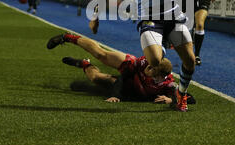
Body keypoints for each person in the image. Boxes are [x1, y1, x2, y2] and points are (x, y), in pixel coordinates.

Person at [47, 31, 196, 105]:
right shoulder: (141, 63)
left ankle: (84, 64)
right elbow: (123, 78)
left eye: (151, 69)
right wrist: (115, 95)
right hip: (127, 73)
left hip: (130, 91)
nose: (148, 67)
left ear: (158, 76)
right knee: (101, 55)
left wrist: (170, 100)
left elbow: (190, 98)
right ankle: (68, 37)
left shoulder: (168, 83)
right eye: (150, 65)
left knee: (95, 78)